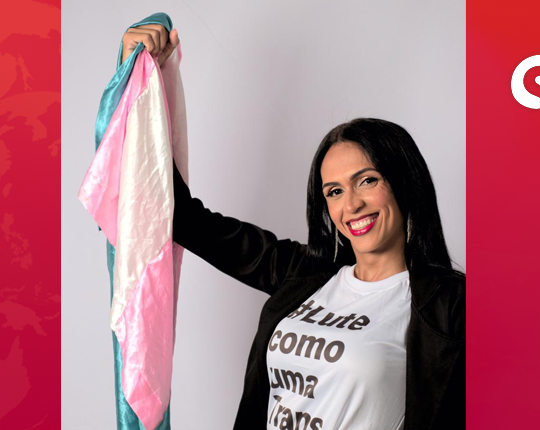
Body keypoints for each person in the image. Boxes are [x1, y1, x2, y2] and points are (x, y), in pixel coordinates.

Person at [123, 23, 465, 430]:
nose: (351, 205)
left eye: (367, 181)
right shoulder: (302, 273)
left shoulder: (451, 304)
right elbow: (182, 218)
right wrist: (139, 81)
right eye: (334, 191)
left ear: (404, 184)